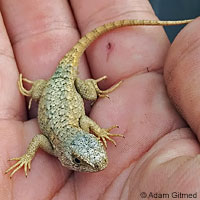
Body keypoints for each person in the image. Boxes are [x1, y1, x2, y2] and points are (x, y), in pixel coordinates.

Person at [1, 0, 199, 199]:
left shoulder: (69, 135)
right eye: (79, 161)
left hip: (63, 85)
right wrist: (27, 157)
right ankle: (42, 87)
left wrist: (100, 132)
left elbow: (77, 125)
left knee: (87, 93)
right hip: (54, 87)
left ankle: (86, 86)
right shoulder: (53, 145)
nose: (100, 164)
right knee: (56, 94)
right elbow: (38, 139)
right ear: (67, 156)